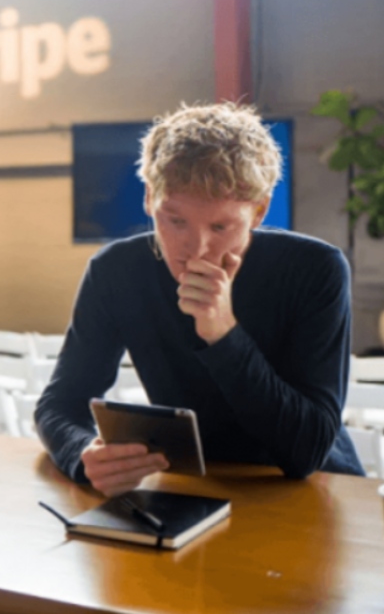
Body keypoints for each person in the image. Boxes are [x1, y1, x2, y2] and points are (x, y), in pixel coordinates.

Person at [35, 102, 363, 497]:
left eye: (220, 226)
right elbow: (58, 404)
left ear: (259, 212)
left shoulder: (315, 269)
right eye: (175, 221)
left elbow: (305, 453)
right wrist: (82, 452)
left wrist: (223, 333)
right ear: (149, 197)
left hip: (313, 491)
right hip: (192, 488)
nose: (196, 248)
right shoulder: (115, 271)